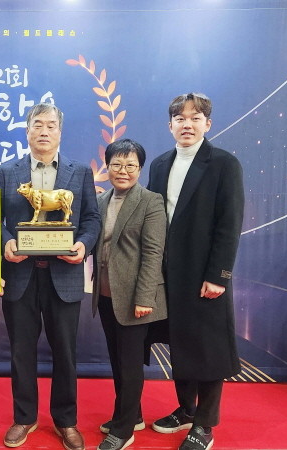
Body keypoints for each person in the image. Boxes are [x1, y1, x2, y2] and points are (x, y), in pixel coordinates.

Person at [0, 103, 101, 450]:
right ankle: (24, 417)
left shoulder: (79, 172)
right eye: (37, 125)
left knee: (65, 353)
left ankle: (66, 421)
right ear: (27, 131)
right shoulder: (7, 172)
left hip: (64, 277)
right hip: (20, 276)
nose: (44, 131)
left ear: (60, 132)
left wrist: (83, 246)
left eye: (51, 125)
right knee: (20, 351)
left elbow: (92, 219)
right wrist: (6, 242)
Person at [147, 93, 244, 450]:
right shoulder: (159, 164)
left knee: (209, 349)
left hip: (204, 275)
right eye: (180, 119)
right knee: (179, 343)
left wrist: (219, 275)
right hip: (167, 275)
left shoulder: (223, 164)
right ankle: (186, 409)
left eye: (195, 118)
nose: (187, 124)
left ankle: (204, 423)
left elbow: (229, 224)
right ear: (170, 125)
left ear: (208, 124)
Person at [91, 139, 167, 450]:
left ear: (140, 168)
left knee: (130, 364)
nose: (123, 171)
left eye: (131, 165)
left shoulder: (151, 201)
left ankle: (123, 430)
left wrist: (144, 298)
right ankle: (132, 415)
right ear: (107, 166)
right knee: (117, 360)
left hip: (136, 298)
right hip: (105, 294)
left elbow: (153, 253)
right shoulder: (100, 200)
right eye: (117, 165)